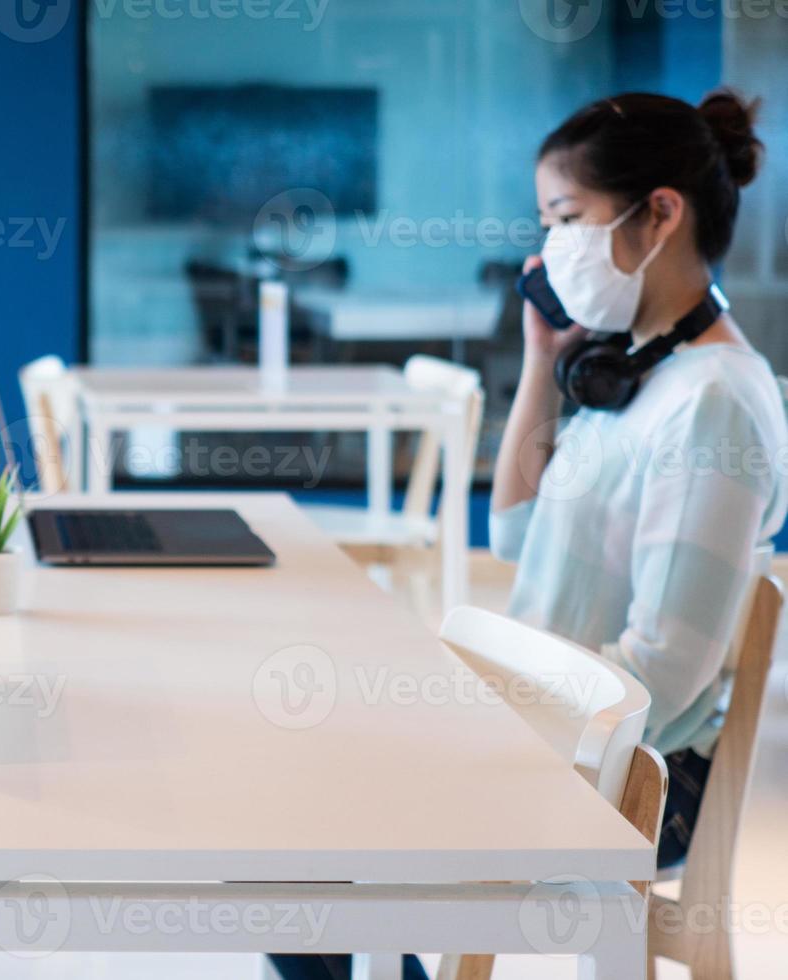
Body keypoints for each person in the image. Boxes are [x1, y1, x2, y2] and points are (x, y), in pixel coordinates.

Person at [272, 88, 780, 980]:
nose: (548, 250)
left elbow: (662, 669)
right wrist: (544, 362)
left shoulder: (715, 403)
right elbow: (511, 530)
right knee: (281, 813)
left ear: (659, 213)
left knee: (303, 828)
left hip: (636, 775)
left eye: (566, 217)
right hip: (555, 732)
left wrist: (485, 730)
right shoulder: (638, 369)